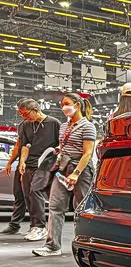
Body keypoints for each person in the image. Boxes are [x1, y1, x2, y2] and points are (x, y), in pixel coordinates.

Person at [33, 93, 97, 257]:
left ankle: (87, 244)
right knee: (55, 206)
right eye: (62, 105)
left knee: (83, 209)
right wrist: (59, 152)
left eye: (67, 103)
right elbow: (62, 147)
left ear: (77, 105)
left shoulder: (88, 126)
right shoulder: (63, 126)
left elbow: (87, 153)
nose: (63, 107)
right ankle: (52, 246)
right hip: (62, 168)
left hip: (81, 170)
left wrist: (76, 173)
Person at [16, 99, 61, 242]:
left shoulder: (54, 123)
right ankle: (34, 225)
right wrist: (22, 162)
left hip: (46, 163)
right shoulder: (25, 125)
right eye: (21, 114)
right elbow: (25, 145)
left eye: (25, 114)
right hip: (29, 163)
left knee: (35, 191)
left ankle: (40, 227)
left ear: (35, 109)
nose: (24, 117)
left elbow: (61, 143)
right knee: (27, 194)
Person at [1, 135, 26, 235]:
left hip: (35, 166)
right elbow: (18, 145)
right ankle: (14, 225)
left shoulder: (46, 127)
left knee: (34, 197)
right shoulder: (23, 128)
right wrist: (9, 163)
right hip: (21, 166)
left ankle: (37, 227)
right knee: (19, 195)